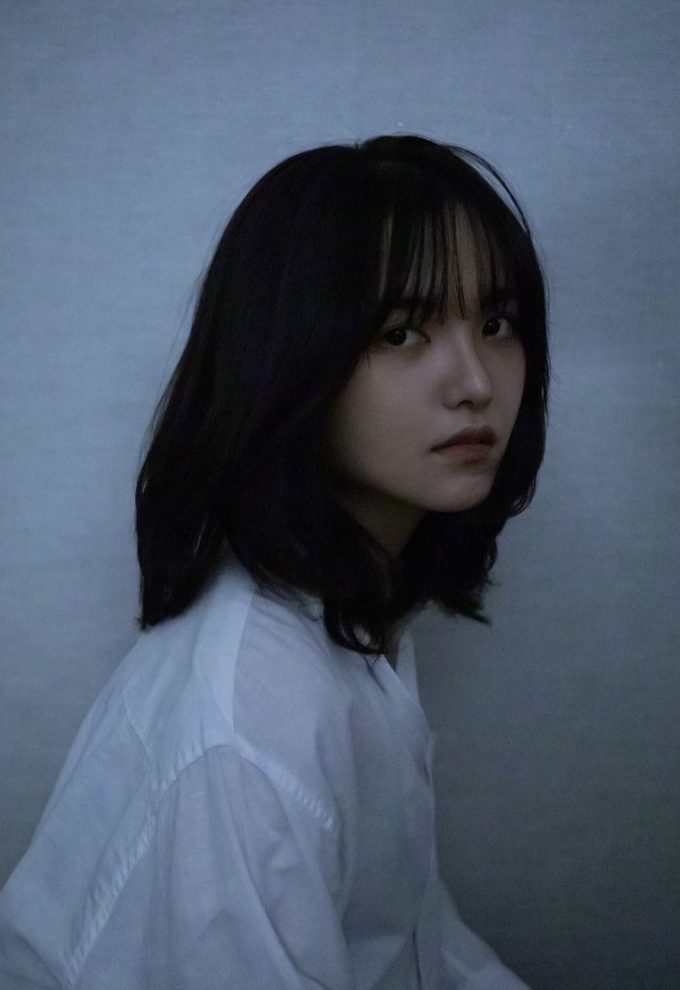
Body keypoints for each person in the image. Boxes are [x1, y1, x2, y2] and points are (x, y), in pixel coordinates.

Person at [0, 134, 549, 989]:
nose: (475, 382)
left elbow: (411, 939)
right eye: (402, 332)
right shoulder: (253, 716)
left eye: (495, 324)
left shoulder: (357, 606)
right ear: (290, 358)